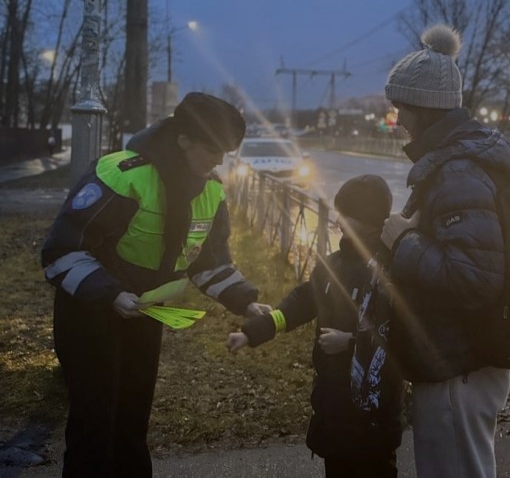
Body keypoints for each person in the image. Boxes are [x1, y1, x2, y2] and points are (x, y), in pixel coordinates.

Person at [41, 92, 272, 478]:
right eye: (213, 150)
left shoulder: (210, 191)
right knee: (94, 425)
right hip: (90, 315)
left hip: (144, 316)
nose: (219, 161)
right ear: (183, 139)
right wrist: (111, 294)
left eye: (226, 153)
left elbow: (210, 263)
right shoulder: (120, 175)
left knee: (132, 421)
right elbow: (62, 251)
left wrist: (247, 303)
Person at [380, 24, 510, 478]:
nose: (397, 118)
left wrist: (402, 241)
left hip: (457, 363)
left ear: (423, 109)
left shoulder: (457, 171)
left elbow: (474, 279)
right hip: (457, 359)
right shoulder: (459, 161)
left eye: (400, 107)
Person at [227, 174, 403, 478]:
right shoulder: (333, 263)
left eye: (345, 214)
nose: (337, 220)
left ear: (369, 220)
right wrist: (254, 330)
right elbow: (303, 302)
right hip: (333, 404)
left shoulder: (392, 268)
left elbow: (402, 335)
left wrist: (350, 342)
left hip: (373, 410)